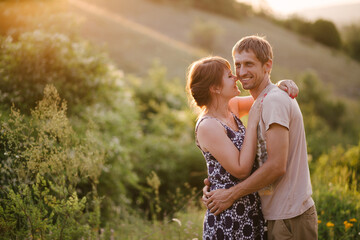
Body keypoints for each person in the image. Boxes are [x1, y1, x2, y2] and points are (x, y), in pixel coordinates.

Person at [203, 36, 318, 240]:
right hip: (271, 216)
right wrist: (214, 185)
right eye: (237, 65)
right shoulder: (260, 101)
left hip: (290, 217)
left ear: (268, 66)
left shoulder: (273, 101)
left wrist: (229, 195)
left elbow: (276, 166)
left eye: (249, 64)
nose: (241, 72)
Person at [187, 56, 299, 239]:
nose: (236, 78)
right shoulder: (208, 125)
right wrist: (253, 120)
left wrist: (281, 84)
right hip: (229, 216)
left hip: (250, 207)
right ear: (215, 88)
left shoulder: (232, 106)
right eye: (229, 76)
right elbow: (241, 170)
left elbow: (266, 97)